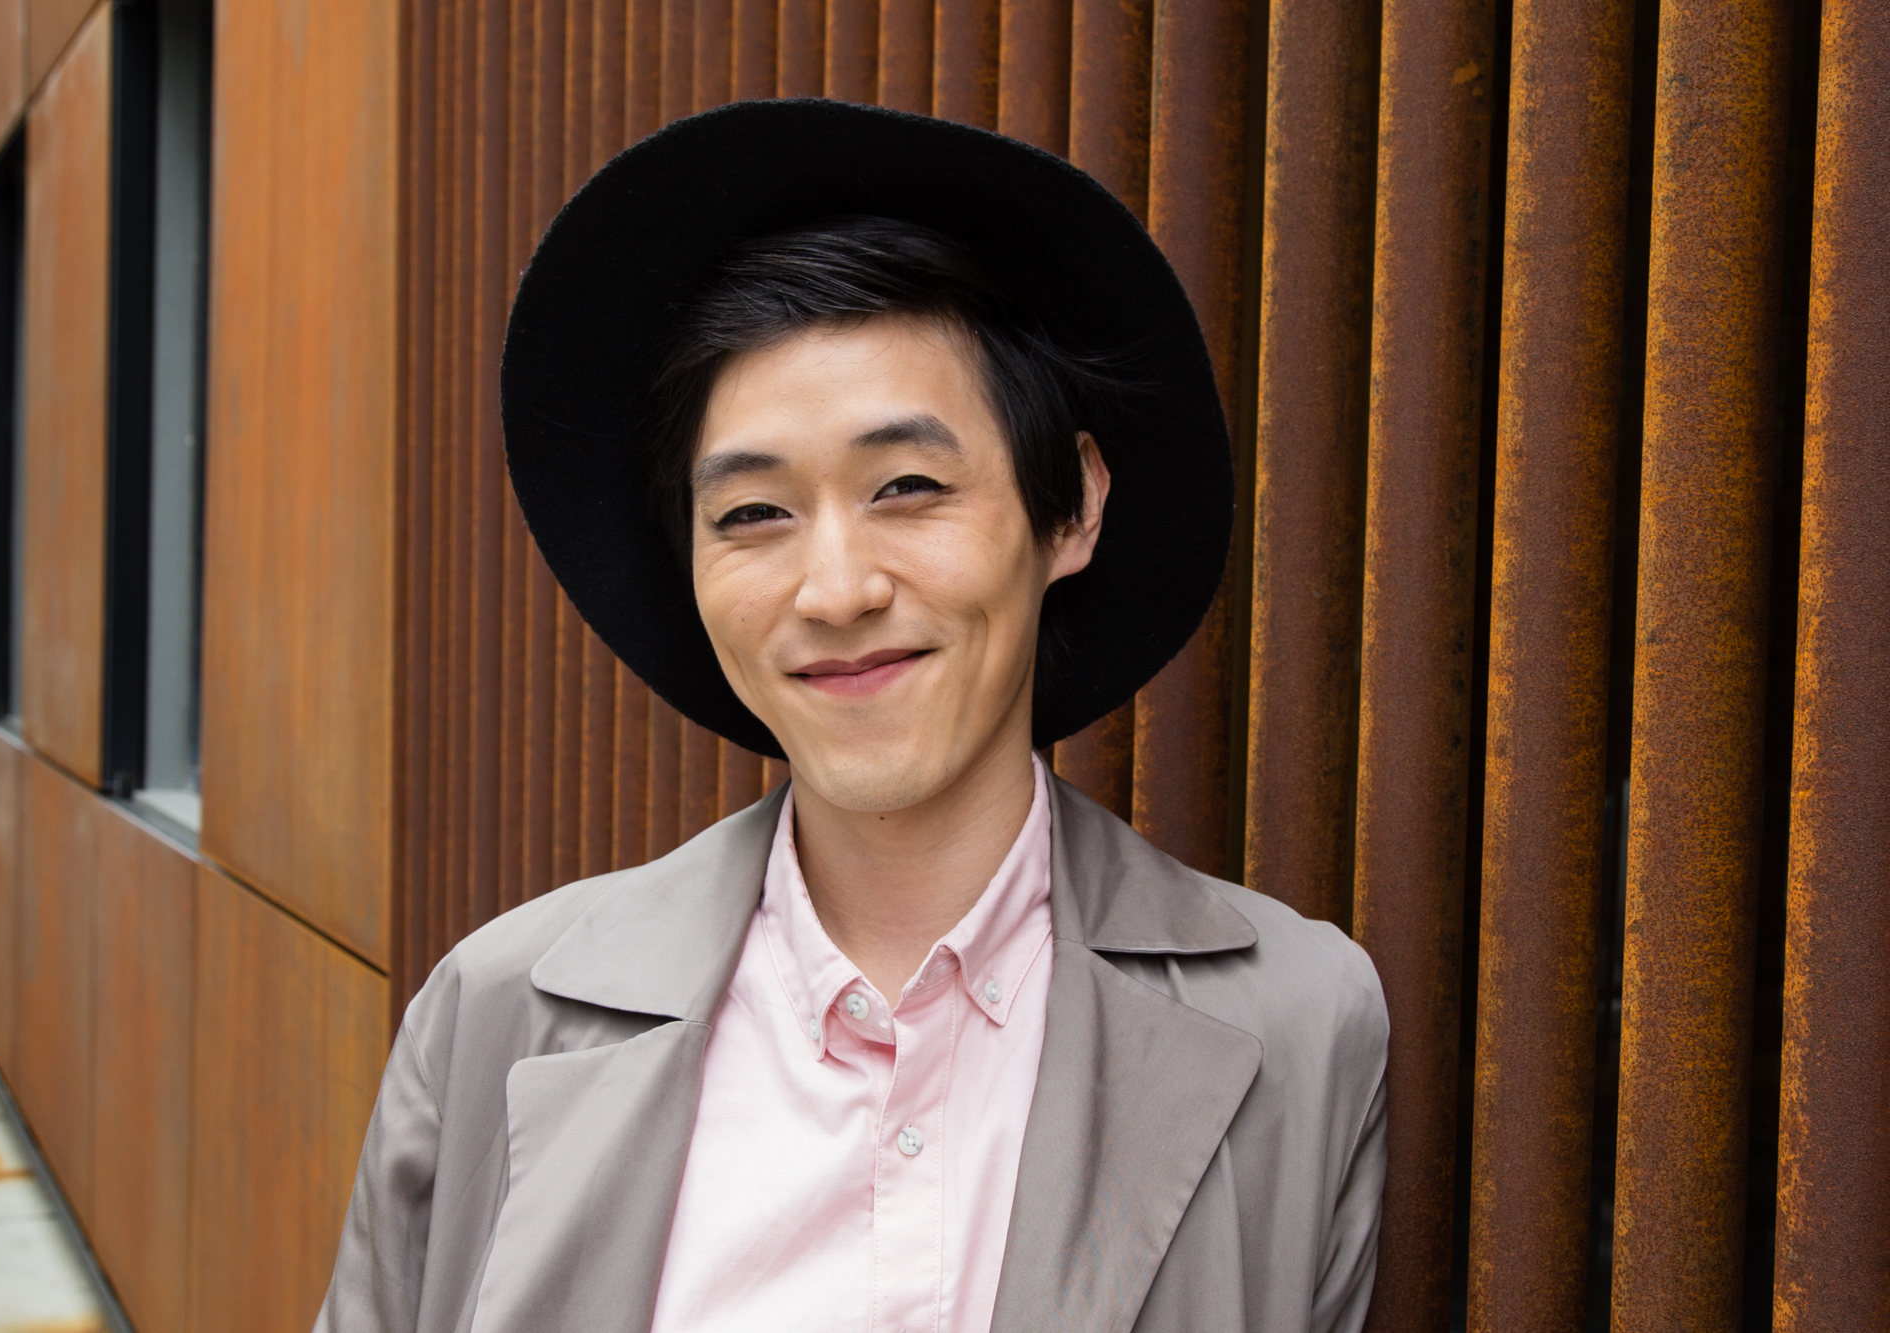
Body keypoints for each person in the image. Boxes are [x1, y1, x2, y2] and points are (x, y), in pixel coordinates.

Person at [317, 99, 1387, 1333]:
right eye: (752, 514)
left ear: (1071, 508)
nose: (835, 589)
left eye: (908, 487)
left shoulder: (1298, 1025)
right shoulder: (495, 1012)